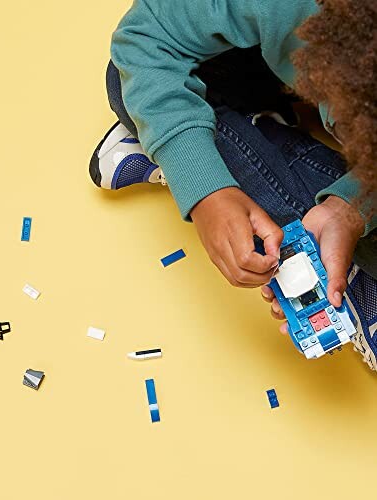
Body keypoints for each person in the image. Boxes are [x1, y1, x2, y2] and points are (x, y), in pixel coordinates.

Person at [89, 0, 377, 368]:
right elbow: (146, 41)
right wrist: (205, 188)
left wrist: (351, 208)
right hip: (247, 58)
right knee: (126, 82)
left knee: (153, 104)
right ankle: (190, 136)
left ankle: (238, 136)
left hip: (293, 62)